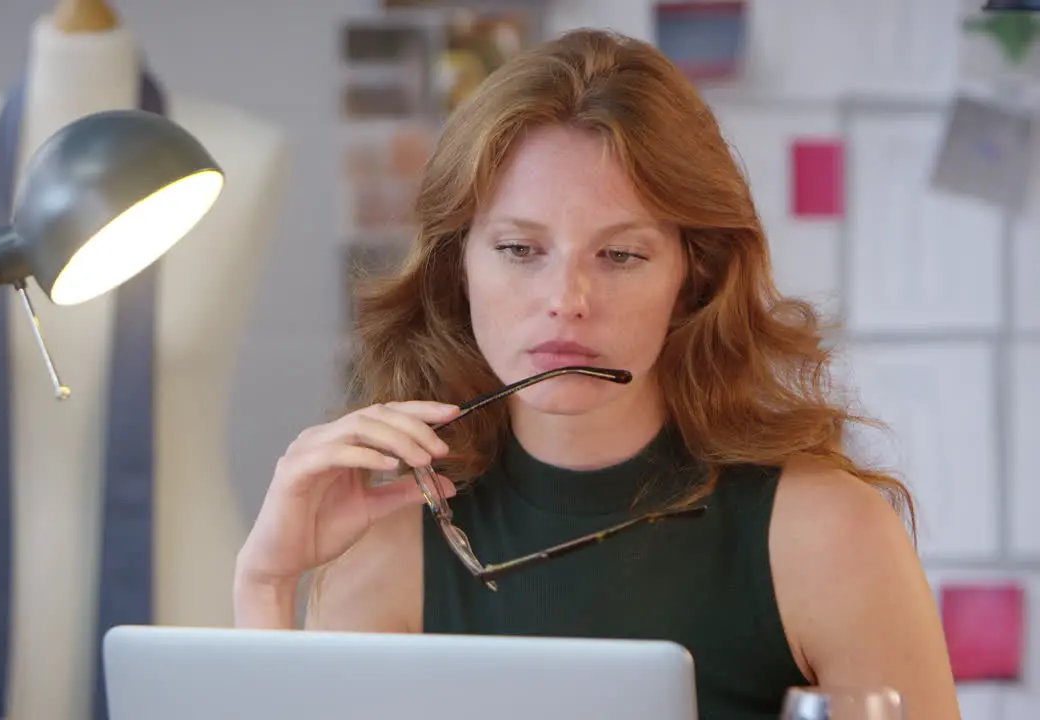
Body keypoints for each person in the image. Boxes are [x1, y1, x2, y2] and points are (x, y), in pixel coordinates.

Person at [233, 28, 961, 720]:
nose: (566, 303)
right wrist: (267, 588)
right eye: (521, 249)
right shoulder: (386, 546)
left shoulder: (824, 535)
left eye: (619, 255)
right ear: (459, 268)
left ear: (693, 276)